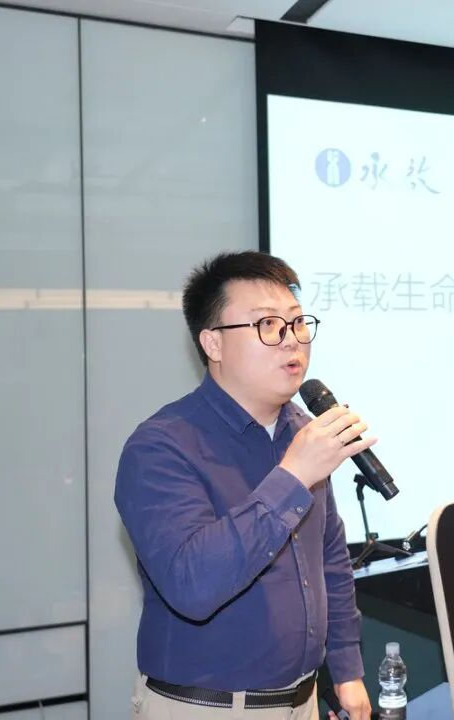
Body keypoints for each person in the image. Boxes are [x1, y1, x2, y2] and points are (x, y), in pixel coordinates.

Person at [115, 251, 373, 720]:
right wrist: (293, 477)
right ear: (213, 343)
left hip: (305, 700)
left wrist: (347, 669)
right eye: (268, 325)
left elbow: (329, 557)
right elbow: (193, 585)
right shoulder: (160, 447)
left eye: (298, 323)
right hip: (207, 709)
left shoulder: (301, 429)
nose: (291, 340)